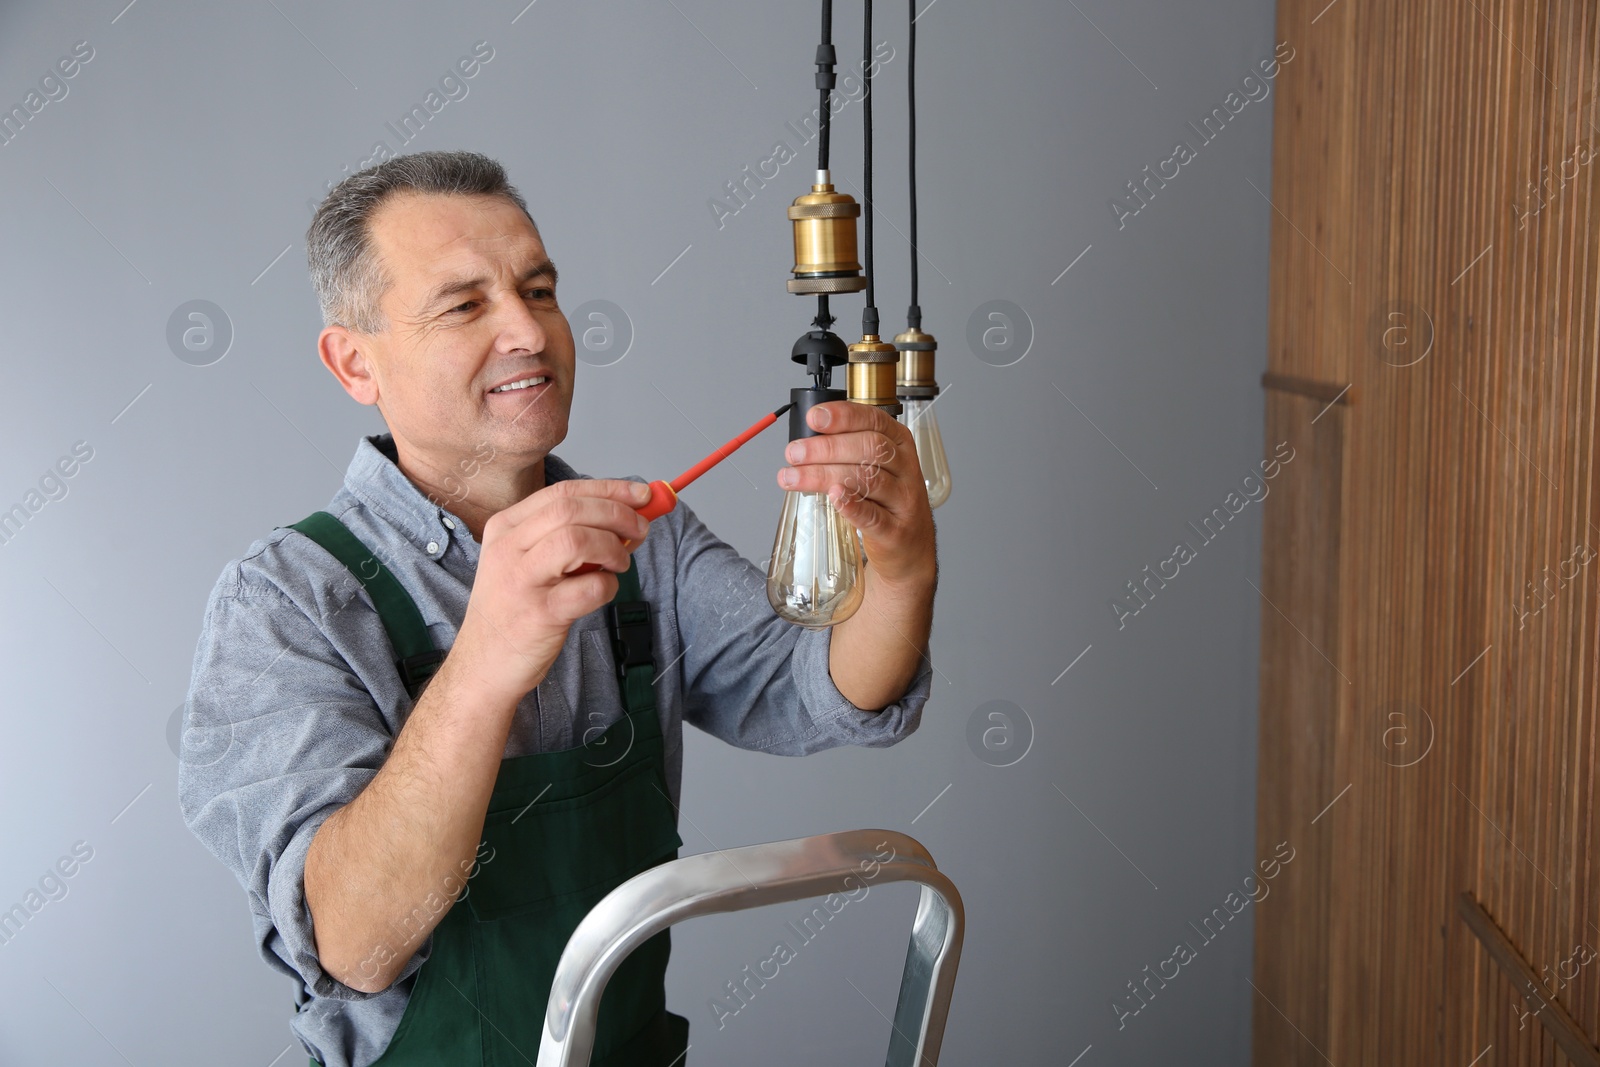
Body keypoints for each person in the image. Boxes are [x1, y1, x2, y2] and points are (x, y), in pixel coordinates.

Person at [178, 150, 937, 1067]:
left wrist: (899, 575)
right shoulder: (287, 603)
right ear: (354, 361)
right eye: (465, 305)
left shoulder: (643, 541)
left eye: (538, 291)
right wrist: (487, 658)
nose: (528, 332)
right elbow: (358, 943)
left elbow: (815, 689)